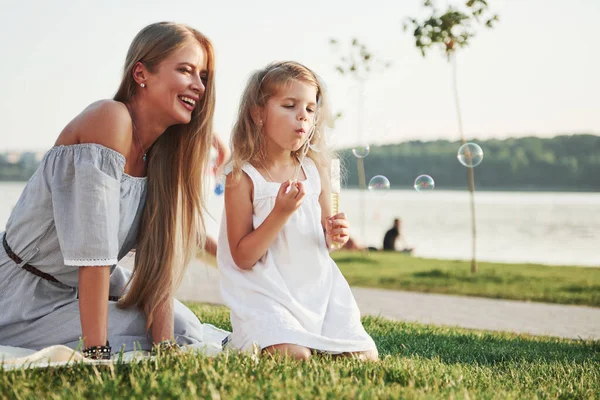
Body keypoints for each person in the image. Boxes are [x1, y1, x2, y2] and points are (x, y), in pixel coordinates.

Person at [0, 22, 228, 359]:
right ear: (141, 73)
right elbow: (94, 254)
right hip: (20, 294)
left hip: (82, 288)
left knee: (183, 331)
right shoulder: (109, 120)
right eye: (185, 70)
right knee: (139, 339)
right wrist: (96, 351)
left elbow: (159, 262)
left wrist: (164, 347)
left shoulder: (165, 156)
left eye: (204, 77)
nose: (199, 86)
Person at [217, 61, 378, 361]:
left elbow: (325, 238)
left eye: (310, 108)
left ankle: (310, 333)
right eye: (289, 105)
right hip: (266, 295)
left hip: (318, 291)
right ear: (257, 113)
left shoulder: (316, 170)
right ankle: (247, 338)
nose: (302, 115)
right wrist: (280, 212)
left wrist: (336, 235)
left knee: (364, 357)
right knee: (295, 356)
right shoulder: (242, 177)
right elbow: (242, 257)